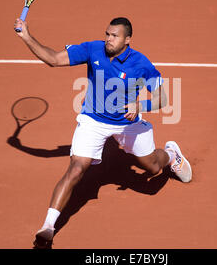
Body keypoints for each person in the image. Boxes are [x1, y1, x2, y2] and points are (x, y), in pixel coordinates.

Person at [13, 16, 192, 248]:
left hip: (128, 124)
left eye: (114, 36)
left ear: (127, 39)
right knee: (76, 169)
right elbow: (54, 59)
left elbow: (163, 98)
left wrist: (140, 106)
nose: (108, 39)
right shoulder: (93, 49)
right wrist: (27, 36)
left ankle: (171, 154)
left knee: (152, 168)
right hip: (93, 121)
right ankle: (47, 227)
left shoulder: (141, 63)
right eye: (107, 34)